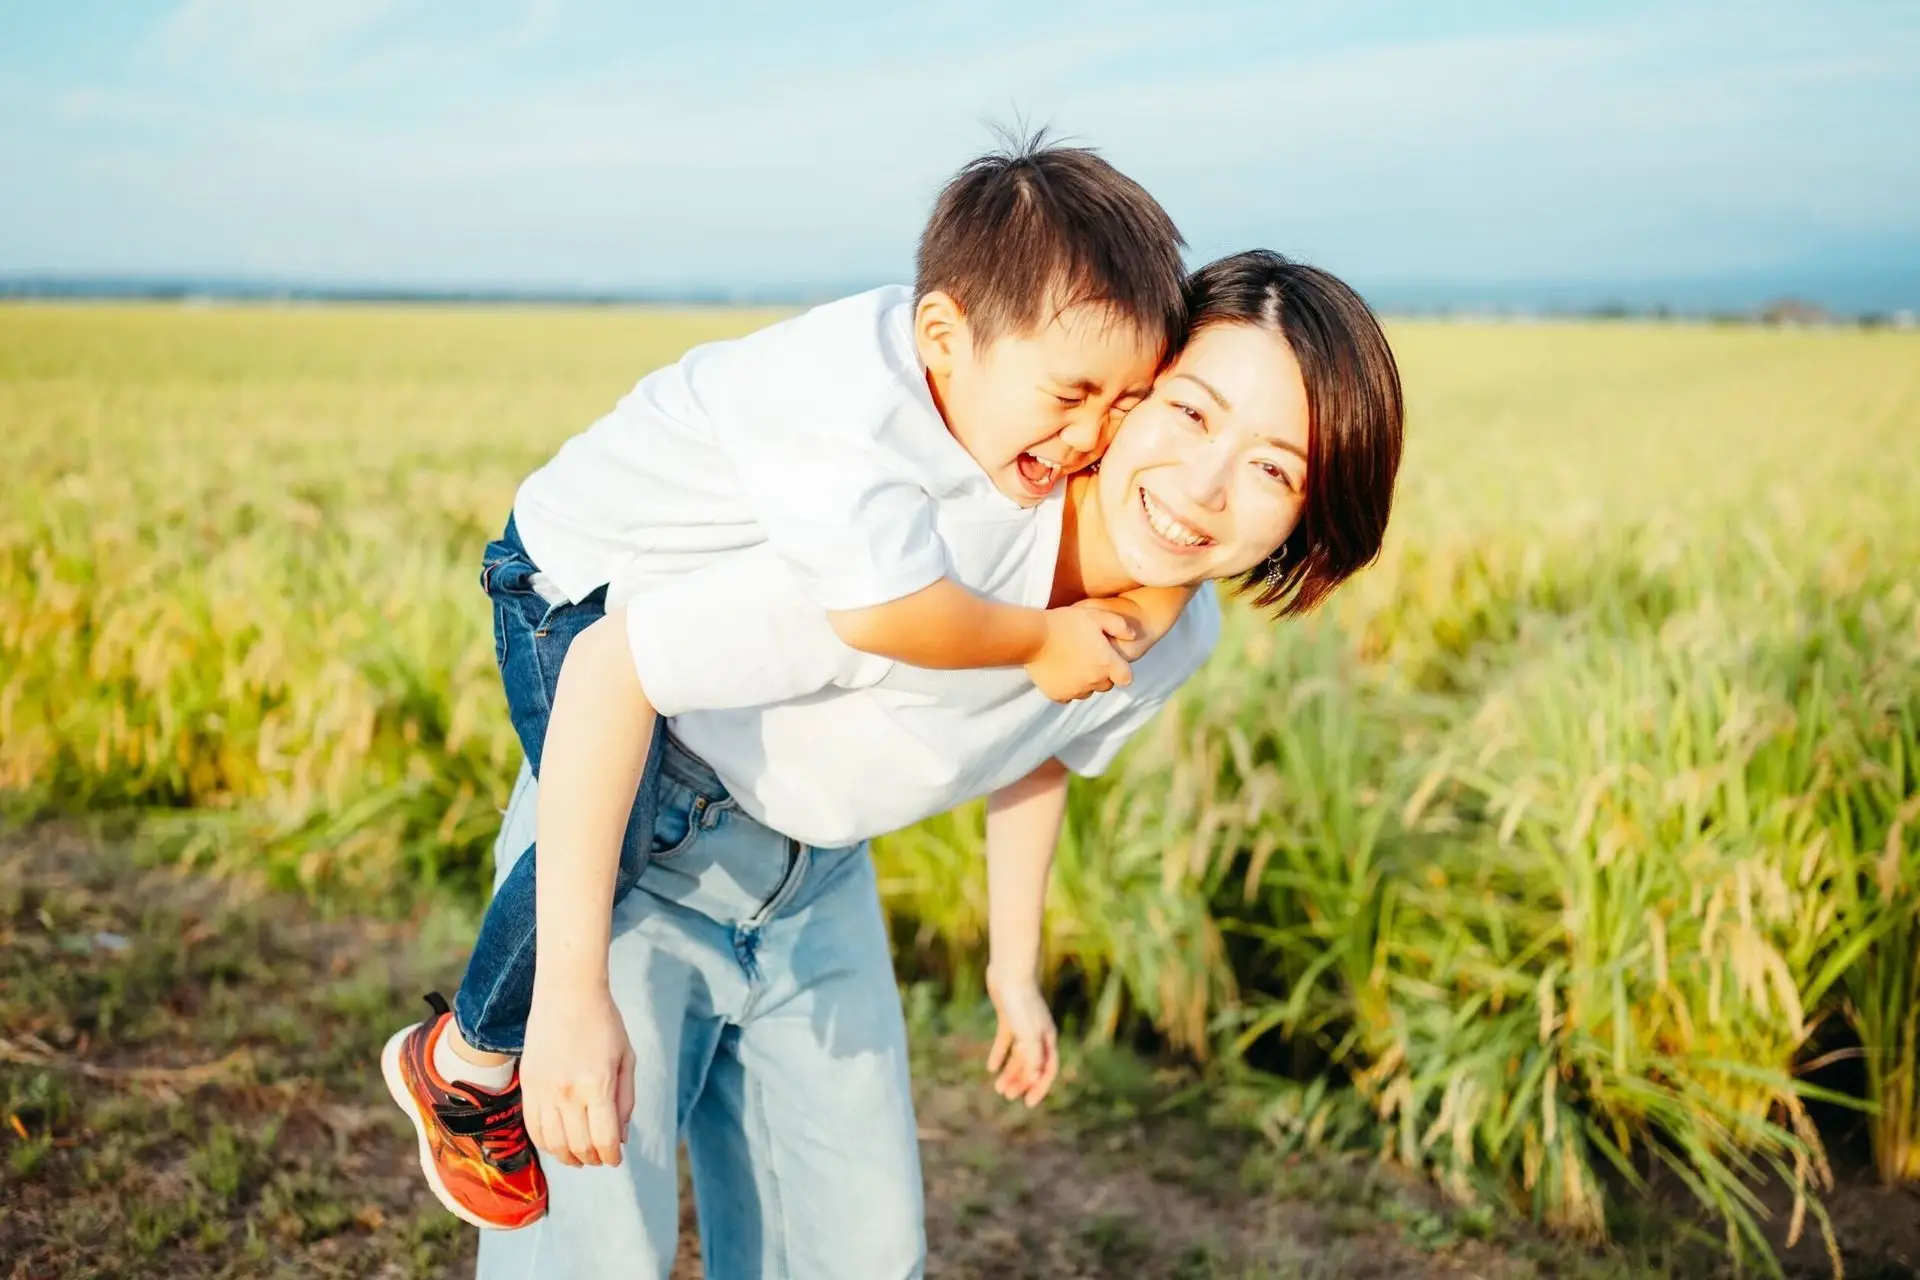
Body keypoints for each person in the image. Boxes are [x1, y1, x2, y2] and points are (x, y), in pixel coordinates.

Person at [471, 250, 1407, 1277]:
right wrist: (564, 992)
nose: (1206, 485)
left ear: (1314, 518)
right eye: (1190, 412)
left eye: (1276, 467)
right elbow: (612, 667)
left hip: (820, 886)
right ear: (1127, 395)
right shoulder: (930, 534)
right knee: (589, 1253)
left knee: (861, 1257)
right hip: (635, 838)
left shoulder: (1178, 638)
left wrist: (1014, 966)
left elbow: (1043, 749)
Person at [382, 134, 1196, 1230]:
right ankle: (468, 1053)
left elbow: (1028, 748)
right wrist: (1037, 639)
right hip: (565, 581)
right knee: (610, 838)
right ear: (947, 335)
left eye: (1126, 402)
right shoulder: (847, 419)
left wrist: (1014, 964)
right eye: (1072, 392)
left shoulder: (970, 410)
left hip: (660, 632)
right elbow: (883, 613)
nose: (1093, 435)